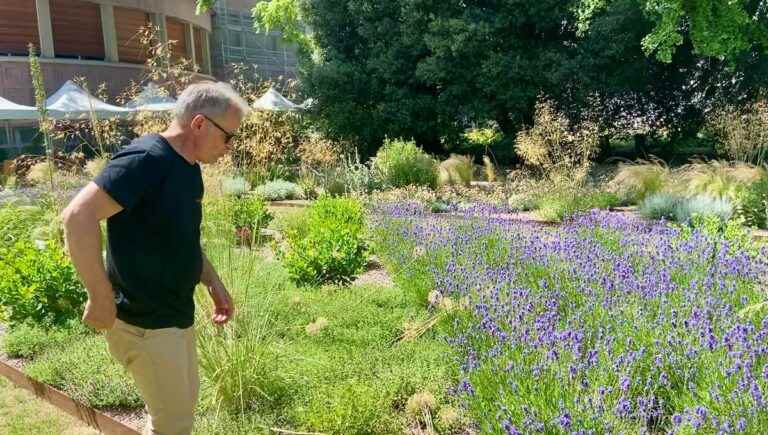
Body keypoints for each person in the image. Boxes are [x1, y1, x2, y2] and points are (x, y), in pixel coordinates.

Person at [62, 82, 250, 435]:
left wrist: (213, 282)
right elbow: (78, 216)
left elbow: (181, 239)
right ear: (199, 124)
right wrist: (100, 296)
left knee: (176, 417)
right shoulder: (147, 160)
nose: (230, 148)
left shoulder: (188, 169)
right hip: (144, 324)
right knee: (174, 426)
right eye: (228, 137)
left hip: (174, 317)